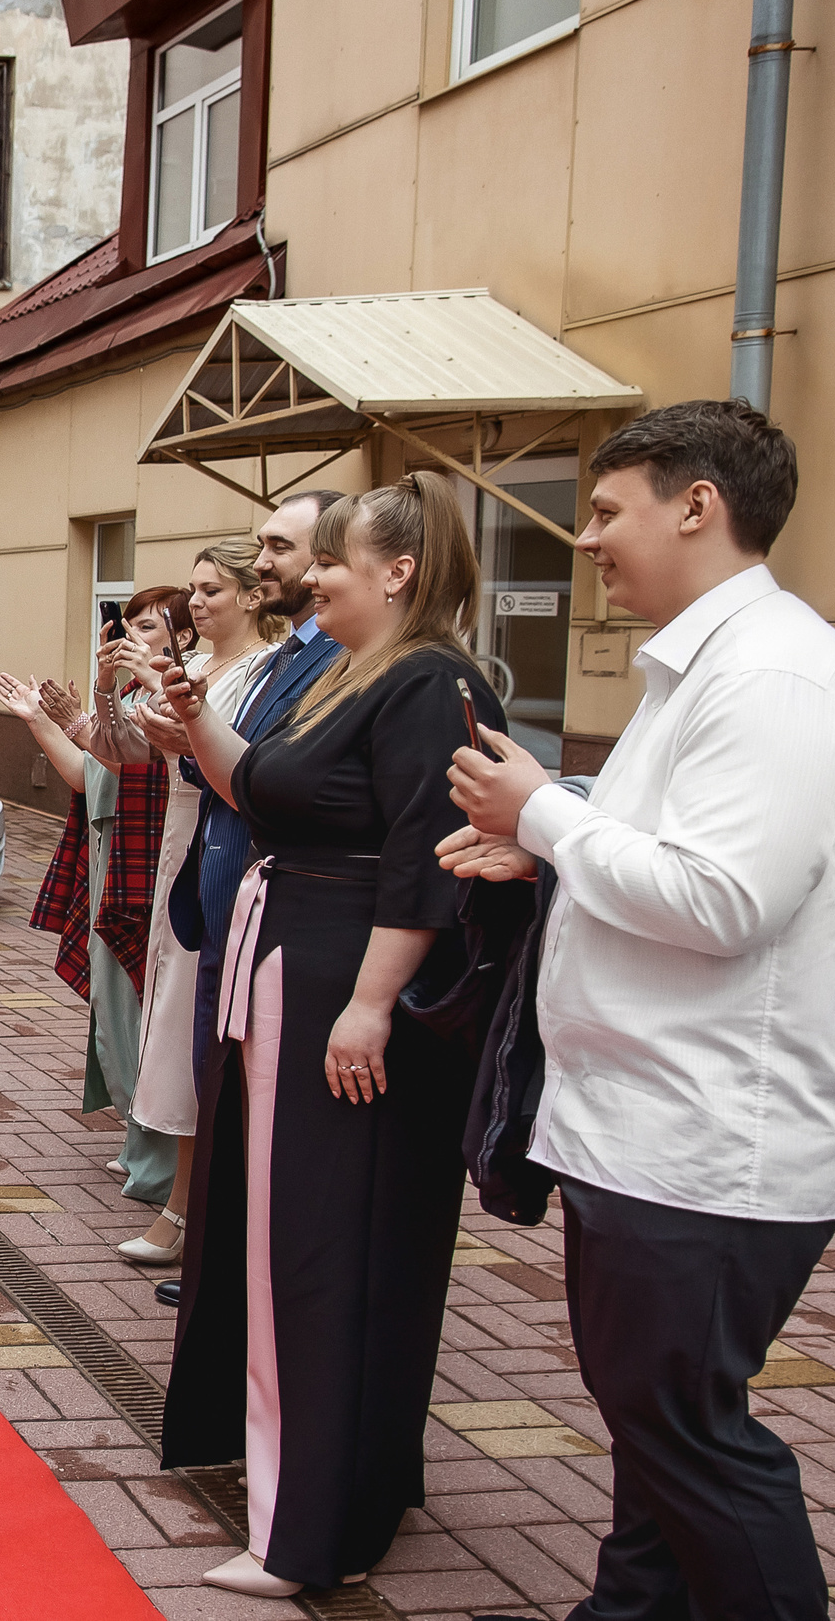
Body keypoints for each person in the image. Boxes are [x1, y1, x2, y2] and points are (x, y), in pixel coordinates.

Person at [441, 401, 835, 1621]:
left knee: (687, 1443)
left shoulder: (773, 671)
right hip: (655, 1131)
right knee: (657, 1448)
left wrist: (545, 818)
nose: (584, 540)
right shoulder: (714, 662)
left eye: (606, 509)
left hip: (708, 1144)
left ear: (698, 506)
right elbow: (676, 856)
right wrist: (547, 846)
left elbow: (724, 899)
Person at [159, 473, 503, 1597]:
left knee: (320, 1254)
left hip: (340, 991)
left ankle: (308, 1527)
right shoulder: (352, 672)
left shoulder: (427, 681)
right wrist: (189, 706)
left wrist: (368, 1002)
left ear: (396, 573)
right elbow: (255, 787)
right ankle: (322, 1481)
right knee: (297, 1241)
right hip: (292, 970)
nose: (308, 579)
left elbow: (424, 854)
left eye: (332, 564)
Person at [146, 493, 346, 1307]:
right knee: (217, 1085)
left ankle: (230, 1272)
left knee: (249, 1099)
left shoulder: (328, 660)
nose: (261, 562)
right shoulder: (294, 654)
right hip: (223, 897)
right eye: (259, 547)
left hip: (275, 909)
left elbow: (275, 783)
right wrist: (188, 733)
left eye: (282, 548)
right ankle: (218, 1263)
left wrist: (191, 734)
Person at [101, 543, 282, 1265]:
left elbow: (237, 769)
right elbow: (119, 752)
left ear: (250, 597)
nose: (197, 602)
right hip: (182, 848)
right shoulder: (198, 667)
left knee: (202, 1028)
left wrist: (183, 729)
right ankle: (184, 1198)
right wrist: (108, 686)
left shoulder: (263, 671)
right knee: (175, 1023)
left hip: (224, 851)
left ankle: (187, 1208)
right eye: (196, 590)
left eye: (212, 590)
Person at [0, 587, 194, 1214]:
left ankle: (159, 1163)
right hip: (111, 850)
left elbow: (124, 765)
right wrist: (47, 720)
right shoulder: (135, 698)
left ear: (181, 638)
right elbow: (90, 775)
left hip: (145, 863)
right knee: (118, 1012)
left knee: (140, 1010)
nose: (128, 635)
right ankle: (144, 1143)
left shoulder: (174, 702)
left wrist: (83, 711)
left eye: (144, 626)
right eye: (126, 624)